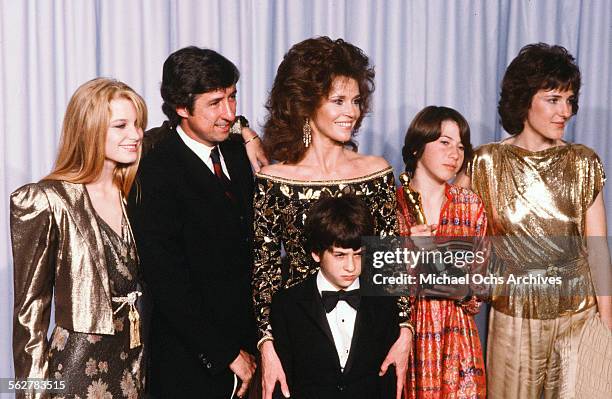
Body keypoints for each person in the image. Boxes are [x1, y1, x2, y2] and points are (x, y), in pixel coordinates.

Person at [253, 36, 412, 399]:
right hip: (298, 347)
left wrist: (405, 333)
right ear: (306, 103)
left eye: (356, 101)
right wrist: (267, 346)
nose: (351, 112)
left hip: (368, 346)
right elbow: (264, 273)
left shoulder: (375, 172)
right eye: (338, 100)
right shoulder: (273, 180)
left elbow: (392, 262)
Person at [455, 43, 612, 398]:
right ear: (525, 99)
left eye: (570, 100)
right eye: (554, 99)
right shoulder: (486, 163)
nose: (566, 111)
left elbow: (598, 250)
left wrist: (606, 327)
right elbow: (447, 220)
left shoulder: (584, 162)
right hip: (514, 317)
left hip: (579, 314)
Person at [129, 47, 257, 398]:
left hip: (251, 345)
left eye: (232, 97)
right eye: (216, 103)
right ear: (182, 108)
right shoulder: (156, 172)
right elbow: (168, 281)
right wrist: (225, 353)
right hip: (192, 363)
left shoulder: (238, 153)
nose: (229, 113)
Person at [10, 77, 147, 398]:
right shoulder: (45, 199)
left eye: (138, 124)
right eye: (121, 125)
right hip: (75, 369)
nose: (136, 134)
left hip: (133, 363)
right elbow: (29, 311)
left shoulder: (133, 196)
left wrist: (246, 135)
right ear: (89, 130)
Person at [396, 106, 487, 398]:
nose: (455, 153)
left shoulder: (470, 205)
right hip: (402, 338)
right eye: (445, 142)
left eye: (461, 146)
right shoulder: (390, 205)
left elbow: (479, 293)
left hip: (457, 342)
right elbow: (370, 281)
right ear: (417, 146)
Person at [270, 194, 399, 399]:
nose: (351, 266)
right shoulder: (288, 304)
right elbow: (282, 385)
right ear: (316, 253)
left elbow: (388, 384)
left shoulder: (384, 301)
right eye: (340, 255)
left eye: (358, 254)